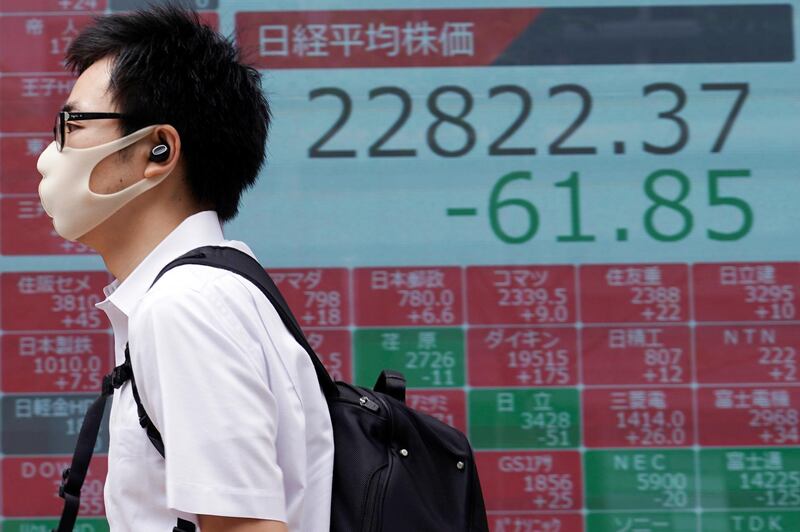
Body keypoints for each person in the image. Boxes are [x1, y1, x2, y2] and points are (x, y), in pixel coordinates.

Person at [35, 4, 334, 532]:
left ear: (158, 150)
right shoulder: (216, 286)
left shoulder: (187, 305)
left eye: (73, 123)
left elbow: (246, 528)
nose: (50, 153)